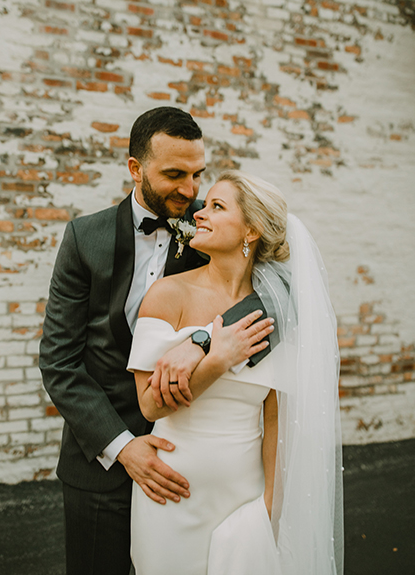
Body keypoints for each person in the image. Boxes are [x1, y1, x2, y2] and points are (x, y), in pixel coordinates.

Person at [39, 107, 274, 575]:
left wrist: (202, 340)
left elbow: (271, 298)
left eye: (196, 174)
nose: (190, 191)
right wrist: (123, 446)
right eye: (174, 174)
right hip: (100, 459)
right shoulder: (86, 239)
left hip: (187, 464)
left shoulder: (208, 233)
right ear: (135, 169)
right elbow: (59, 362)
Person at [128, 171, 344, 575]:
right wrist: (216, 357)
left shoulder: (278, 314)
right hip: (172, 490)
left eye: (216, 206)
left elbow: (278, 415)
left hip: (245, 495)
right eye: (204, 204)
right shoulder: (168, 294)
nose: (199, 213)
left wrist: (269, 504)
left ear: (252, 230)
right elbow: (151, 406)